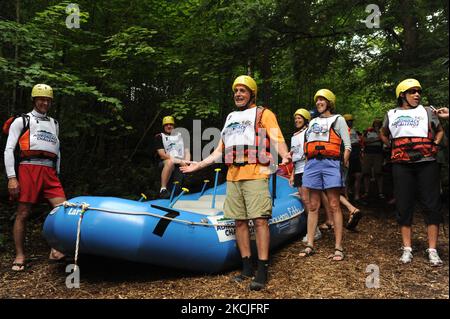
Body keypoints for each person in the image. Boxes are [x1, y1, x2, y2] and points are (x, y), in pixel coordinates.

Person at [181, 75, 291, 291]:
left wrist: (285, 155)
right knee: (239, 222)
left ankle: (262, 268)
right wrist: (199, 165)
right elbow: (219, 151)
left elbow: (277, 138)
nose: (238, 94)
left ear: (252, 94)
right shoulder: (231, 116)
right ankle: (246, 266)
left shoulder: (263, 114)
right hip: (233, 175)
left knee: (259, 220)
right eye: (236, 91)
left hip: (256, 172)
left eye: (243, 90)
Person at [380, 78, 444, 267]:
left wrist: (436, 144)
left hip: (427, 162)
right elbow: (384, 132)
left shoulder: (427, 111)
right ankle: (407, 248)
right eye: (413, 91)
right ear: (402, 95)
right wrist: (388, 144)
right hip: (401, 163)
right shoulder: (391, 114)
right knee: (404, 203)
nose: (417, 95)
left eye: (419, 92)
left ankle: (432, 250)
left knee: (432, 204)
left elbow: (439, 131)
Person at [4, 84, 66, 271]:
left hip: (49, 171)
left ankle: (56, 249)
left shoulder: (54, 123)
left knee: (62, 209)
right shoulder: (22, 120)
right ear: (34, 100)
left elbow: (58, 150)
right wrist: (12, 177)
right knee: (23, 212)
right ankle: (20, 255)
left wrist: (57, 173)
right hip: (28, 168)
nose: (44, 102)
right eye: (41, 99)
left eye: (48, 100)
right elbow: (9, 149)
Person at [299, 89, 351, 261]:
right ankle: (310, 244)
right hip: (313, 163)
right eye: (317, 100)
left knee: (334, 204)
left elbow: (347, 145)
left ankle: (338, 247)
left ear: (329, 102)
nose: (319, 102)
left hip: (331, 163)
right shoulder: (312, 122)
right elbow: (307, 144)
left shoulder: (338, 119)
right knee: (313, 205)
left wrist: (342, 163)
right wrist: (307, 164)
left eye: (322, 100)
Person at [289, 108, 322, 242]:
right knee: (304, 200)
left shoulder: (308, 132)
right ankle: (314, 229)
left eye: (300, 118)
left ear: (306, 119)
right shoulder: (294, 135)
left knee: (309, 201)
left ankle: (314, 231)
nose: (297, 120)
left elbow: (310, 150)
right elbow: (294, 156)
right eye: (296, 118)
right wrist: (292, 174)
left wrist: (310, 169)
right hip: (297, 169)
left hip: (307, 168)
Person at [154, 116, 190, 198]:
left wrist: (186, 162)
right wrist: (179, 161)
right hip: (166, 162)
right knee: (170, 162)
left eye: (171, 124)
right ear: (164, 126)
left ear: (174, 126)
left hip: (179, 163)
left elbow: (187, 151)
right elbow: (162, 154)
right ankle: (163, 188)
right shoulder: (160, 136)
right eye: (166, 125)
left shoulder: (181, 136)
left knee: (190, 168)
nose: (169, 126)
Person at [361, 119, 385, 200]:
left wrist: (378, 133)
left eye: (378, 124)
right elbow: (364, 140)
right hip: (367, 153)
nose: (376, 125)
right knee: (366, 172)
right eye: (375, 124)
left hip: (378, 153)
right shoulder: (367, 131)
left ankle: (380, 192)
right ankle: (366, 192)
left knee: (378, 172)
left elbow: (382, 139)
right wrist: (376, 139)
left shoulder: (382, 131)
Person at [343, 114, 363, 202]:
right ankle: (346, 196)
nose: (351, 122)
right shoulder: (342, 131)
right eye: (349, 121)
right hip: (348, 155)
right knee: (346, 177)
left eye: (351, 121)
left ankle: (356, 196)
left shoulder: (354, 131)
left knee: (358, 175)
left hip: (356, 155)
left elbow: (359, 142)